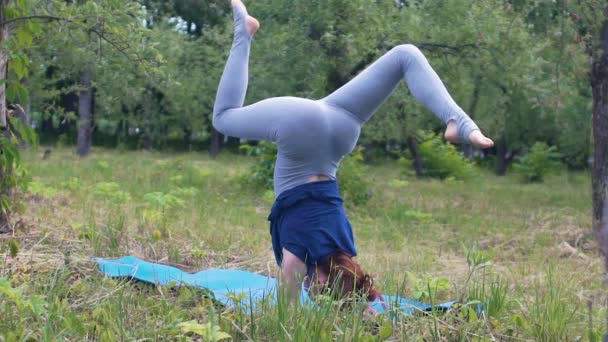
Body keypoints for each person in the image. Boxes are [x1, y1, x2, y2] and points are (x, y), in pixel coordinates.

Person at [213, 0, 494, 307]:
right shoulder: (299, 258)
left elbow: (365, 293)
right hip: (302, 124)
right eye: (321, 290)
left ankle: (459, 122)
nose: (314, 291)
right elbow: (286, 313)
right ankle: (245, 32)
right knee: (224, 117)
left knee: (404, 56)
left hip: (340, 123)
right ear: (326, 277)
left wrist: (368, 308)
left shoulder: (342, 245)